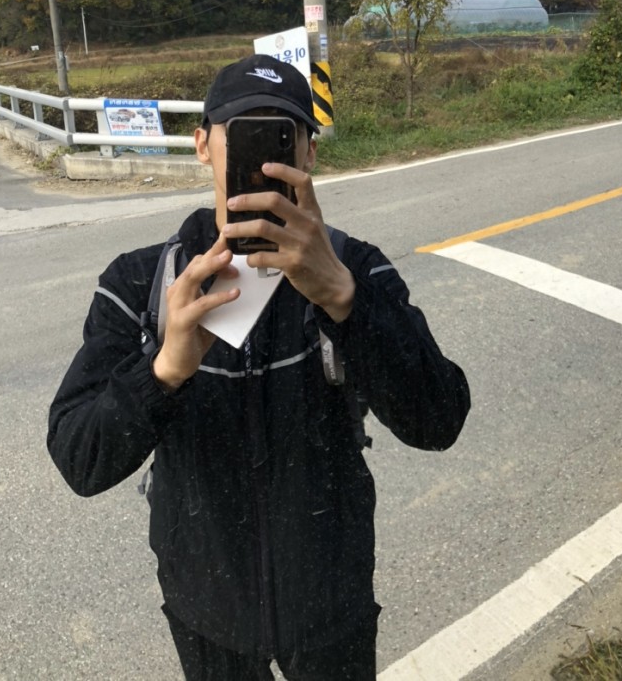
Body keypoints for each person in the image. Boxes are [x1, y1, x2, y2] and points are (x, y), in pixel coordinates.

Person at [47, 53, 470, 681]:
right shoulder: (139, 283)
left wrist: (345, 302)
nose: (263, 157)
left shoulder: (356, 268)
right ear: (203, 146)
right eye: (243, 134)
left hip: (333, 602)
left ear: (308, 154)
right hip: (204, 608)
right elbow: (79, 459)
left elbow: (438, 421)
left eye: (281, 135)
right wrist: (163, 372)